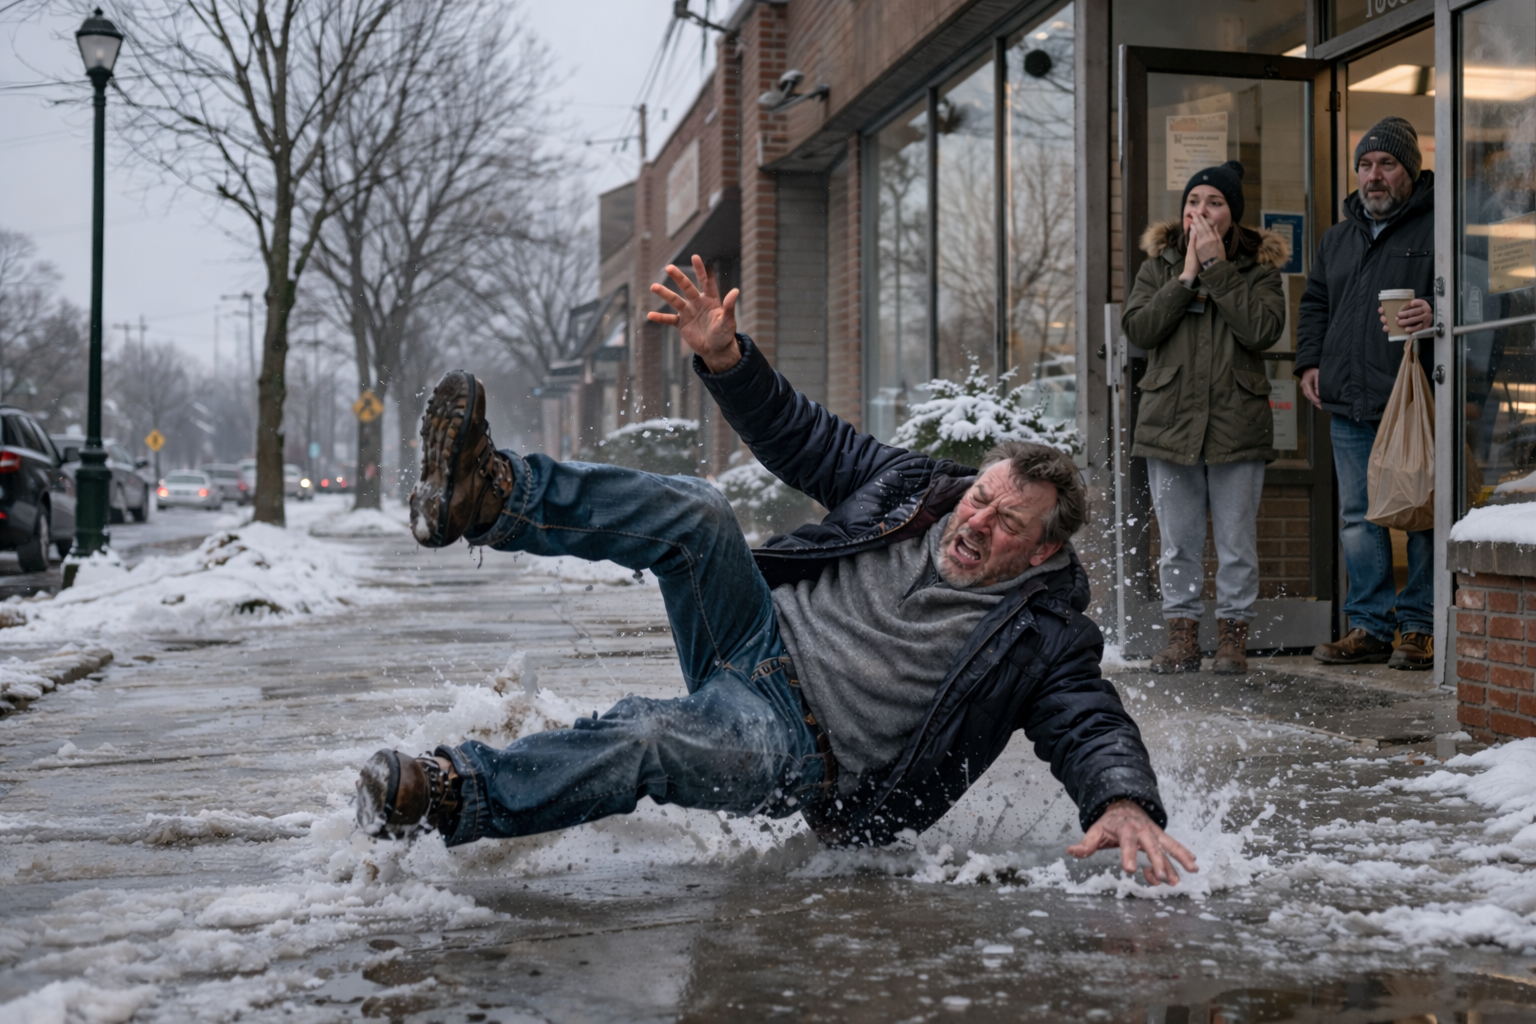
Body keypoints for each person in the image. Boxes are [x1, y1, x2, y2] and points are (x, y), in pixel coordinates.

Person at [354, 255, 1199, 886]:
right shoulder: (916, 490)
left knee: (651, 735)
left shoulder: (1044, 635)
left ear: (1044, 549)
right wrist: (727, 360)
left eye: (1005, 521)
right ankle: (490, 497)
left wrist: (1121, 801)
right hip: (749, 635)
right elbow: (807, 439)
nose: (973, 520)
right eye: (980, 497)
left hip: (799, 748)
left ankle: (448, 795)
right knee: (699, 511)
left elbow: (1091, 723)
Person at [1122, 161, 1290, 675]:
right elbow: (1140, 330)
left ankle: (1233, 639)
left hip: (1236, 424)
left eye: (1214, 202)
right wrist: (1188, 275)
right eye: (1194, 201)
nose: (1201, 211)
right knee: (1177, 542)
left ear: (1232, 215)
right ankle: (1182, 637)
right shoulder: (1158, 267)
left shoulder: (1259, 270)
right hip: (1169, 424)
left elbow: (1262, 331)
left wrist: (1217, 270)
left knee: (1236, 541)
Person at [1295, 116, 1435, 670]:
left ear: (1410, 170)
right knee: (1359, 517)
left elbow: (1476, 296)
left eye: (1387, 164)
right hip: (1348, 401)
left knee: (1418, 511)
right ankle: (1372, 626)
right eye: (1366, 165)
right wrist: (1310, 363)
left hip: (1411, 399)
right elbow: (1314, 305)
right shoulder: (1338, 236)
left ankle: (1420, 627)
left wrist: (1438, 313)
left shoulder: (1437, 227)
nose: (1373, 176)